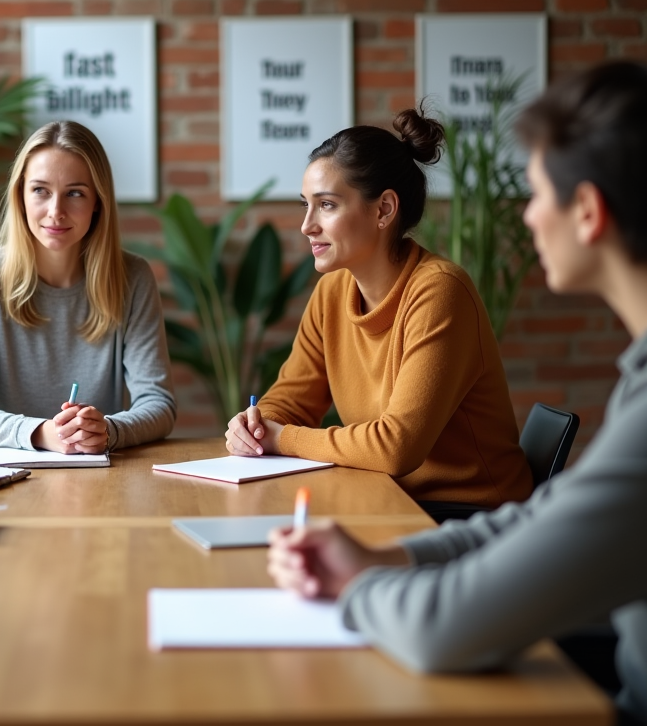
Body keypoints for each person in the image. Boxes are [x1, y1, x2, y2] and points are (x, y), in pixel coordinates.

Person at [268, 60, 647, 726]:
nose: (526, 216)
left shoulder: (440, 290)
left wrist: (357, 582)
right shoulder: (636, 380)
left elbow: (439, 628)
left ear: (588, 212)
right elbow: (544, 517)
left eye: (536, 193)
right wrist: (386, 558)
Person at [225, 108, 533, 521]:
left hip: (469, 516)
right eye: (306, 206)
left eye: (326, 205)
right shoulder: (332, 292)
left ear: (384, 209)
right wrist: (256, 427)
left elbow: (395, 447)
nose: (307, 226)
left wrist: (283, 439)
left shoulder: (440, 292)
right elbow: (291, 400)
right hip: (387, 497)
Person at [0, 120, 175, 452]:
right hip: (9, 473)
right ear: (20, 196)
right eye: (40, 190)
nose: (56, 212)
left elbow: (158, 403)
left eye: (75, 193)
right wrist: (41, 433)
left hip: (103, 476)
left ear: (97, 201)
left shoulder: (133, 278)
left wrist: (109, 431)